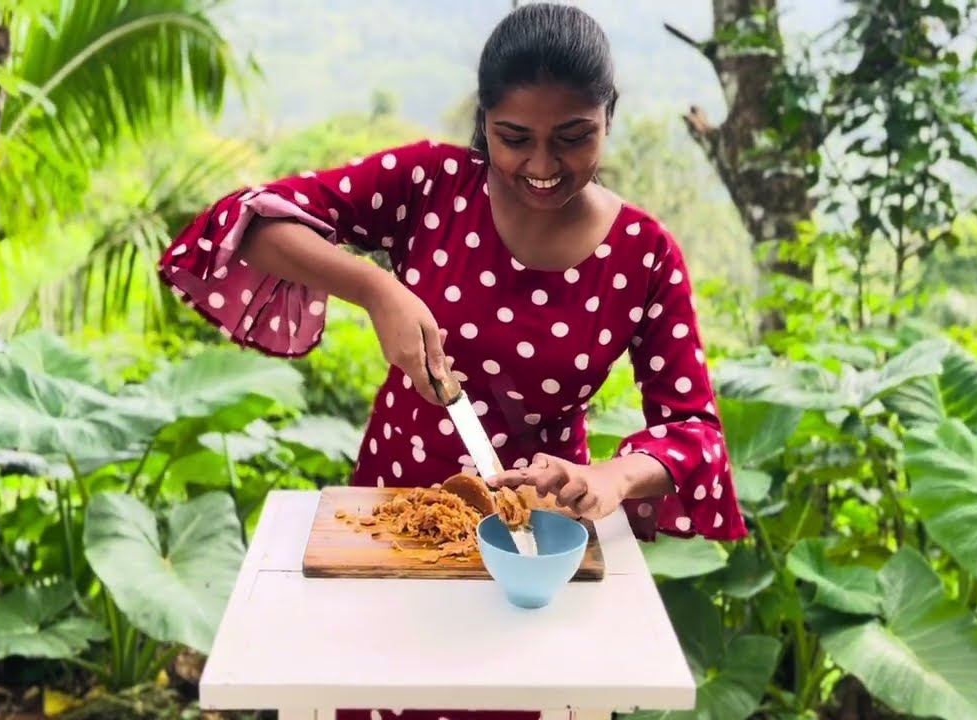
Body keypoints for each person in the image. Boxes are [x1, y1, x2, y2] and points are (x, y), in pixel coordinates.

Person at [159, 4, 747, 719]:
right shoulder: (430, 187)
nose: (540, 165)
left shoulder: (643, 255)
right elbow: (248, 221)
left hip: (535, 545)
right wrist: (376, 287)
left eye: (572, 138)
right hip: (388, 525)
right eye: (513, 138)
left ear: (608, 117)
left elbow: (694, 430)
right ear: (484, 122)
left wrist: (609, 477)